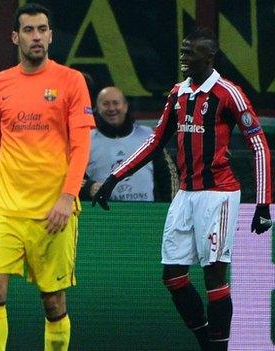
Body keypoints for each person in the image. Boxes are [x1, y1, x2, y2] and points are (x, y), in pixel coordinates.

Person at [92, 28, 272, 351]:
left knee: (214, 277)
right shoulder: (178, 93)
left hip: (218, 194)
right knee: (172, 276)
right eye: (183, 51)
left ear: (209, 57)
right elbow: (156, 140)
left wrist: (263, 204)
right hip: (185, 195)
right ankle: (206, 341)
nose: (183, 58)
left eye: (190, 53)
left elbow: (258, 145)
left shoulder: (227, 93)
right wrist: (114, 177)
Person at [0, 3, 95, 351]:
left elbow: (81, 146)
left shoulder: (71, 81)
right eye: (28, 30)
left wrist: (67, 197)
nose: (36, 37)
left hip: (52, 210)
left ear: (50, 36)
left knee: (53, 301)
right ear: (15, 37)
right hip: (7, 208)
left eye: (42, 29)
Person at [81, 86, 177, 201]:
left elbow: (168, 176)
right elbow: (68, 177)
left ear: (125, 106)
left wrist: (171, 209)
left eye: (116, 103)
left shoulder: (150, 136)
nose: (111, 108)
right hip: (102, 216)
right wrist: (88, 187)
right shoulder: (85, 140)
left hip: (146, 214)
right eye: (105, 104)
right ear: (97, 108)